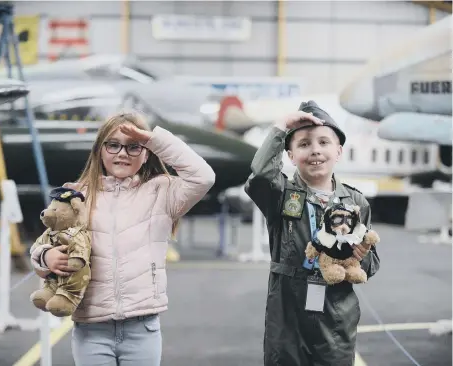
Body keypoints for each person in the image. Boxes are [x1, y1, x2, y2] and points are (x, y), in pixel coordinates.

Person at [30, 111, 216, 366]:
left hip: (143, 329)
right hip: (91, 329)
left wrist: (153, 139)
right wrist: (46, 257)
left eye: (133, 147)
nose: (122, 153)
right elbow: (44, 244)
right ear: (99, 150)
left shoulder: (162, 192)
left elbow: (204, 176)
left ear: (146, 152)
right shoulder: (77, 197)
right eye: (113, 145)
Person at [244, 100, 380, 366]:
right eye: (304, 144)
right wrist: (280, 127)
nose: (315, 150)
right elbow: (260, 176)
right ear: (290, 155)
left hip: (336, 312)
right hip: (287, 313)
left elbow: (372, 265)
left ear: (338, 151)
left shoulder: (356, 202)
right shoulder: (281, 195)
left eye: (323, 142)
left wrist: (360, 256)